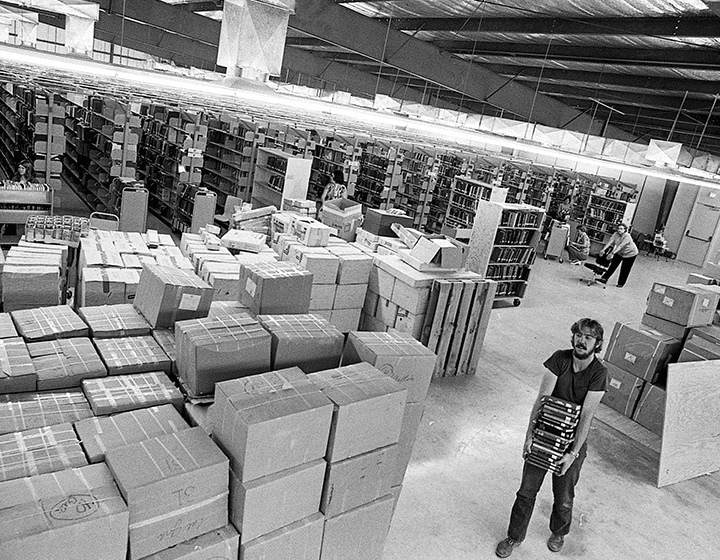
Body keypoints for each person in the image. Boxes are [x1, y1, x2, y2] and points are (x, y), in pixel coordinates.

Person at [495, 318, 607, 558]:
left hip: (572, 442)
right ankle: (514, 537)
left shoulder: (599, 373)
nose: (581, 340)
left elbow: (586, 415)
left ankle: (559, 532)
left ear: (597, 343)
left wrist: (572, 453)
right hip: (544, 436)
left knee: (564, 496)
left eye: (588, 337)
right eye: (578, 334)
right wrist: (529, 436)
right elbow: (542, 399)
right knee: (526, 491)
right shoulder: (560, 358)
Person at [595, 223, 638, 287]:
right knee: (613, 265)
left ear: (625, 230)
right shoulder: (615, 234)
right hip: (619, 252)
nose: (619, 230)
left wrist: (612, 253)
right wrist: (603, 250)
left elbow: (621, 246)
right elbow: (610, 242)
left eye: (621, 229)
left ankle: (621, 283)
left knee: (625, 269)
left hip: (630, 253)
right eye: (618, 228)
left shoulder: (627, 236)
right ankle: (604, 278)